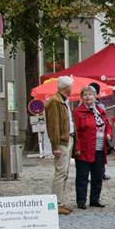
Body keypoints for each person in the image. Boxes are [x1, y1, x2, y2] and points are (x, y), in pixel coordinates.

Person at [72, 86, 113, 209]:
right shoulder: (77, 112)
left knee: (97, 175)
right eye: (85, 95)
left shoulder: (100, 111)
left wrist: (109, 134)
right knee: (82, 175)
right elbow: (76, 132)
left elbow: (107, 125)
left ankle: (95, 198)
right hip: (85, 149)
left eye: (90, 94)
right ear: (81, 97)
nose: (88, 97)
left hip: (99, 148)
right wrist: (77, 148)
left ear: (95, 97)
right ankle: (81, 200)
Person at [45, 76, 76, 215]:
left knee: (65, 172)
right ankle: (56, 203)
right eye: (71, 86)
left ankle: (61, 202)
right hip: (62, 141)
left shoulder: (63, 101)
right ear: (67, 87)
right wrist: (55, 146)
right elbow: (54, 125)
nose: (72, 88)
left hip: (68, 139)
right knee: (60, 172)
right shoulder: (55, 101)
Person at [88, 82, 112, 181]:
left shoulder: (97, 106)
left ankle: (95, 173)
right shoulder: (100, 105)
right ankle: (101, 173)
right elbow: (105, 121)